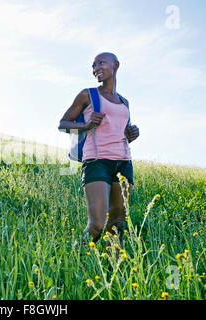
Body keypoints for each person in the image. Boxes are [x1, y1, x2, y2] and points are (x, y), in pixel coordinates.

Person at [58, 52, 140, 245]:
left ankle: (115, 269)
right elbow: (63, 124)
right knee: (97, 225)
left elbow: (119, 129)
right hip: (97, 161)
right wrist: (85, 125)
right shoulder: (88, 94)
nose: (96, 68)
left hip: (124, 162)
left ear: (116, 65)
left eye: (101, 63)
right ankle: (74, 258)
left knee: (118, 223)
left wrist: (132, 133)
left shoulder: (124, 101)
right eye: (93, 66)